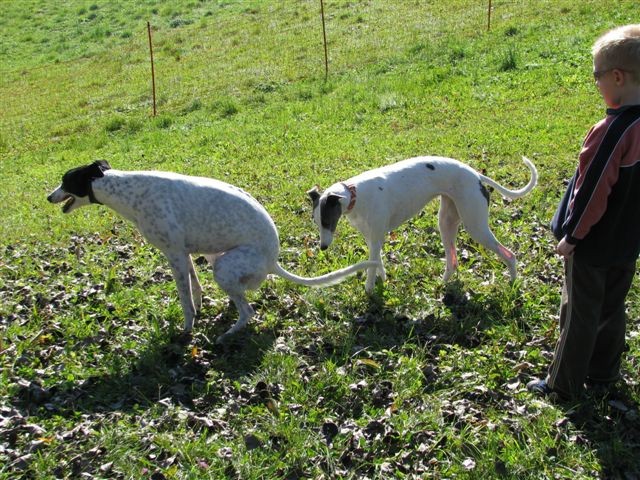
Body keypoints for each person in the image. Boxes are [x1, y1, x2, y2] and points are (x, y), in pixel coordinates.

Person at [527, 24, 640, 400]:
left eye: (597, 77)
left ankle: (563, 385)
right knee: (613, 306)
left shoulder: (612, 130)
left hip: (592, 244)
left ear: (618, 78)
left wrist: (573, 235)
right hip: (627, 242)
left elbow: (592, 190)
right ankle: (604, 372)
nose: (596, 85)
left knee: (579, 313)